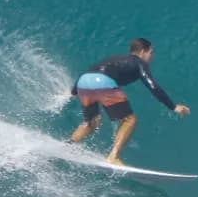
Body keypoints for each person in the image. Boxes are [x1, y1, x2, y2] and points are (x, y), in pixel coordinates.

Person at [69, 37, 191, 165]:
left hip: (83, 81)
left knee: (91, 123)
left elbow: (91, 72)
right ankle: (113, 157)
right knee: (130, 120)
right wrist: (173, 106)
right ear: (143, 51)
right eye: (151, 52)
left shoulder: (113, 59)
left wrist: (73, 92)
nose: (152, 56)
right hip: (102, 82)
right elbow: (152, 86)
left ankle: (69, 146)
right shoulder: (139, 63)